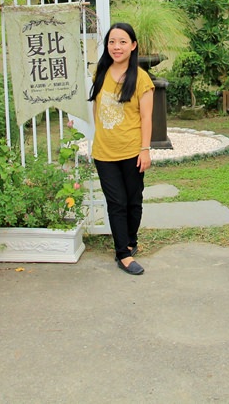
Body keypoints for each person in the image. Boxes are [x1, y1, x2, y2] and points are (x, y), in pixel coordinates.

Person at [88, 22, 154, 275]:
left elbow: (146, 117)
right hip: (104, 153)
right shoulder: (101, 73)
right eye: (112, 41)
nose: (117, 47)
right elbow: (97, 109)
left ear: (133, 45)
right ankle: (123, 254)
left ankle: (130, 241)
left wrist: (145, 149)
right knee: (116, 202)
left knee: (133, 201)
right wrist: (102, 136)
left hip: (132, 151)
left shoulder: (141, 79)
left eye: (123, 42)